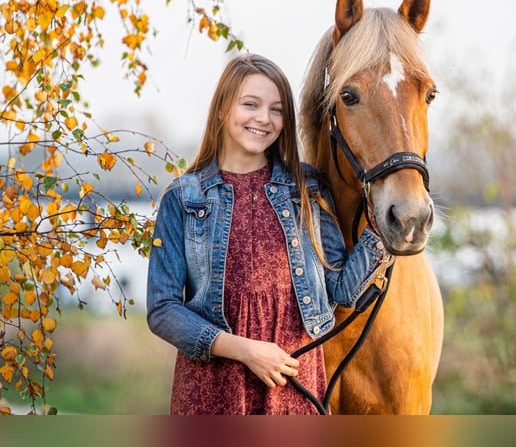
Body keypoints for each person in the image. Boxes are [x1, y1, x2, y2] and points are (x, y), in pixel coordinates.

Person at [146, 53, 386, 415]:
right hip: (212, 391)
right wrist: (247, 351)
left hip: (294, 385)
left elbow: (341, 291)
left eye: (276, 109)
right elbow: (163, 310)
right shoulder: (184, 198)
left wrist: (381, 231)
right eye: (250, 104)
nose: (263, 118)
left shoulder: (308, 191)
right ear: (223, 109)